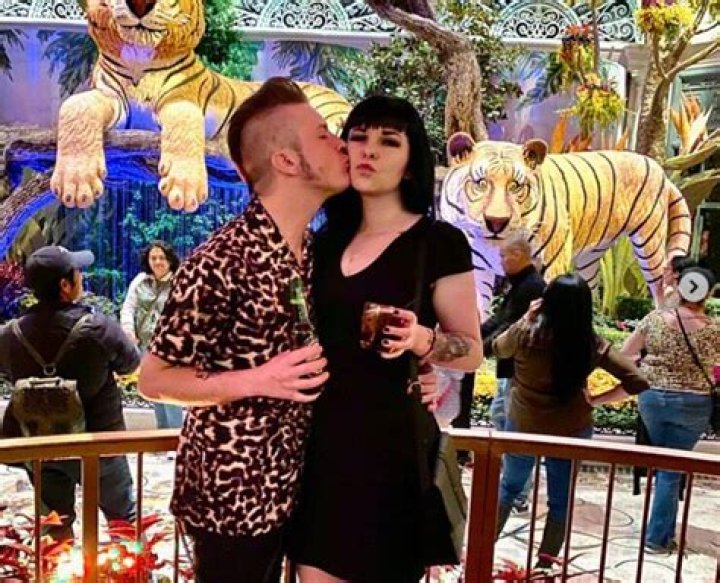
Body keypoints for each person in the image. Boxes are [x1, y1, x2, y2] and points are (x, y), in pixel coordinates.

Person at [136, 78, 349, 583]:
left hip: (289, 484)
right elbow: (154, 378)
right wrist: (260, 379)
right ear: (287, 161)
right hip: (232, 496)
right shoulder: (221, 261)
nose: (340, 144)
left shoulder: (312, 251)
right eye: (322, 135)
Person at [289, 95, 483, 583]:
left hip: (390, 450)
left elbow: (471, 350)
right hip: (319, 444)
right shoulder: (322, 241)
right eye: (358, 137)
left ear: (411, 161)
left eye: (388, 141)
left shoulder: (438, 243)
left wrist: (421, 340)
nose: (369, 150)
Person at [494, 273, 648, 568]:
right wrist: (597, 399)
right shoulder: (592, 344)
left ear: (546, 302)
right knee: (560, 499)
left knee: (509, 488)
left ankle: (483, 549)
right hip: (570, 430)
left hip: (523, 425)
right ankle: (544, 566)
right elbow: (638, 381)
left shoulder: (526, 335)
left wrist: (526, 318)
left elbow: (499, 349)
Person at [0, 245, 139, 540]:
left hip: (41, 445)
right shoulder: (98, 327)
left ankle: (55, 564)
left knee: (54, 524)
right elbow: (131, 364)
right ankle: (131, 565)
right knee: (123, 521)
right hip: (99, 444)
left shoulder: (10, 334)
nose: (81, 276)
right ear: (65, 285)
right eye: (77, 272)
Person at [616, 266, 719, 553]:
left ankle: (664, 534)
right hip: (695, 405)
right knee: (672, 468)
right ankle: (656, 538)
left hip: (653, 400)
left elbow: (624, 355)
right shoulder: (715, 329)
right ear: (708, 293)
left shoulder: (655, 320)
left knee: (667, 466)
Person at [458, 232, 545, 508]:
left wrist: (479, 349)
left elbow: (510, 326)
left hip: (520, 370)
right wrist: (474, 338)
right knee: (501, 417)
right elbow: (500, 320)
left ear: (518, 255)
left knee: (512, 427)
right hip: (511, 368)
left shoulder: (531, 286)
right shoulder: (521, 284)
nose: (500, 260)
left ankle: (516, 493)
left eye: (503, 255)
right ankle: (512, 487)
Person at [120, 240, 183, 429]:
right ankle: (161, 433)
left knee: (171, 393)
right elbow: (128, 308)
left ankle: (174, 435)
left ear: (170, 260)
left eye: (162, 258)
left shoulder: (179, 282)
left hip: (169, 349)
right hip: (145, 346)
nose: (157, 262)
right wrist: (129, 331)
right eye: (153, 258)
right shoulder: (140, 281)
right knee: (154, 391)